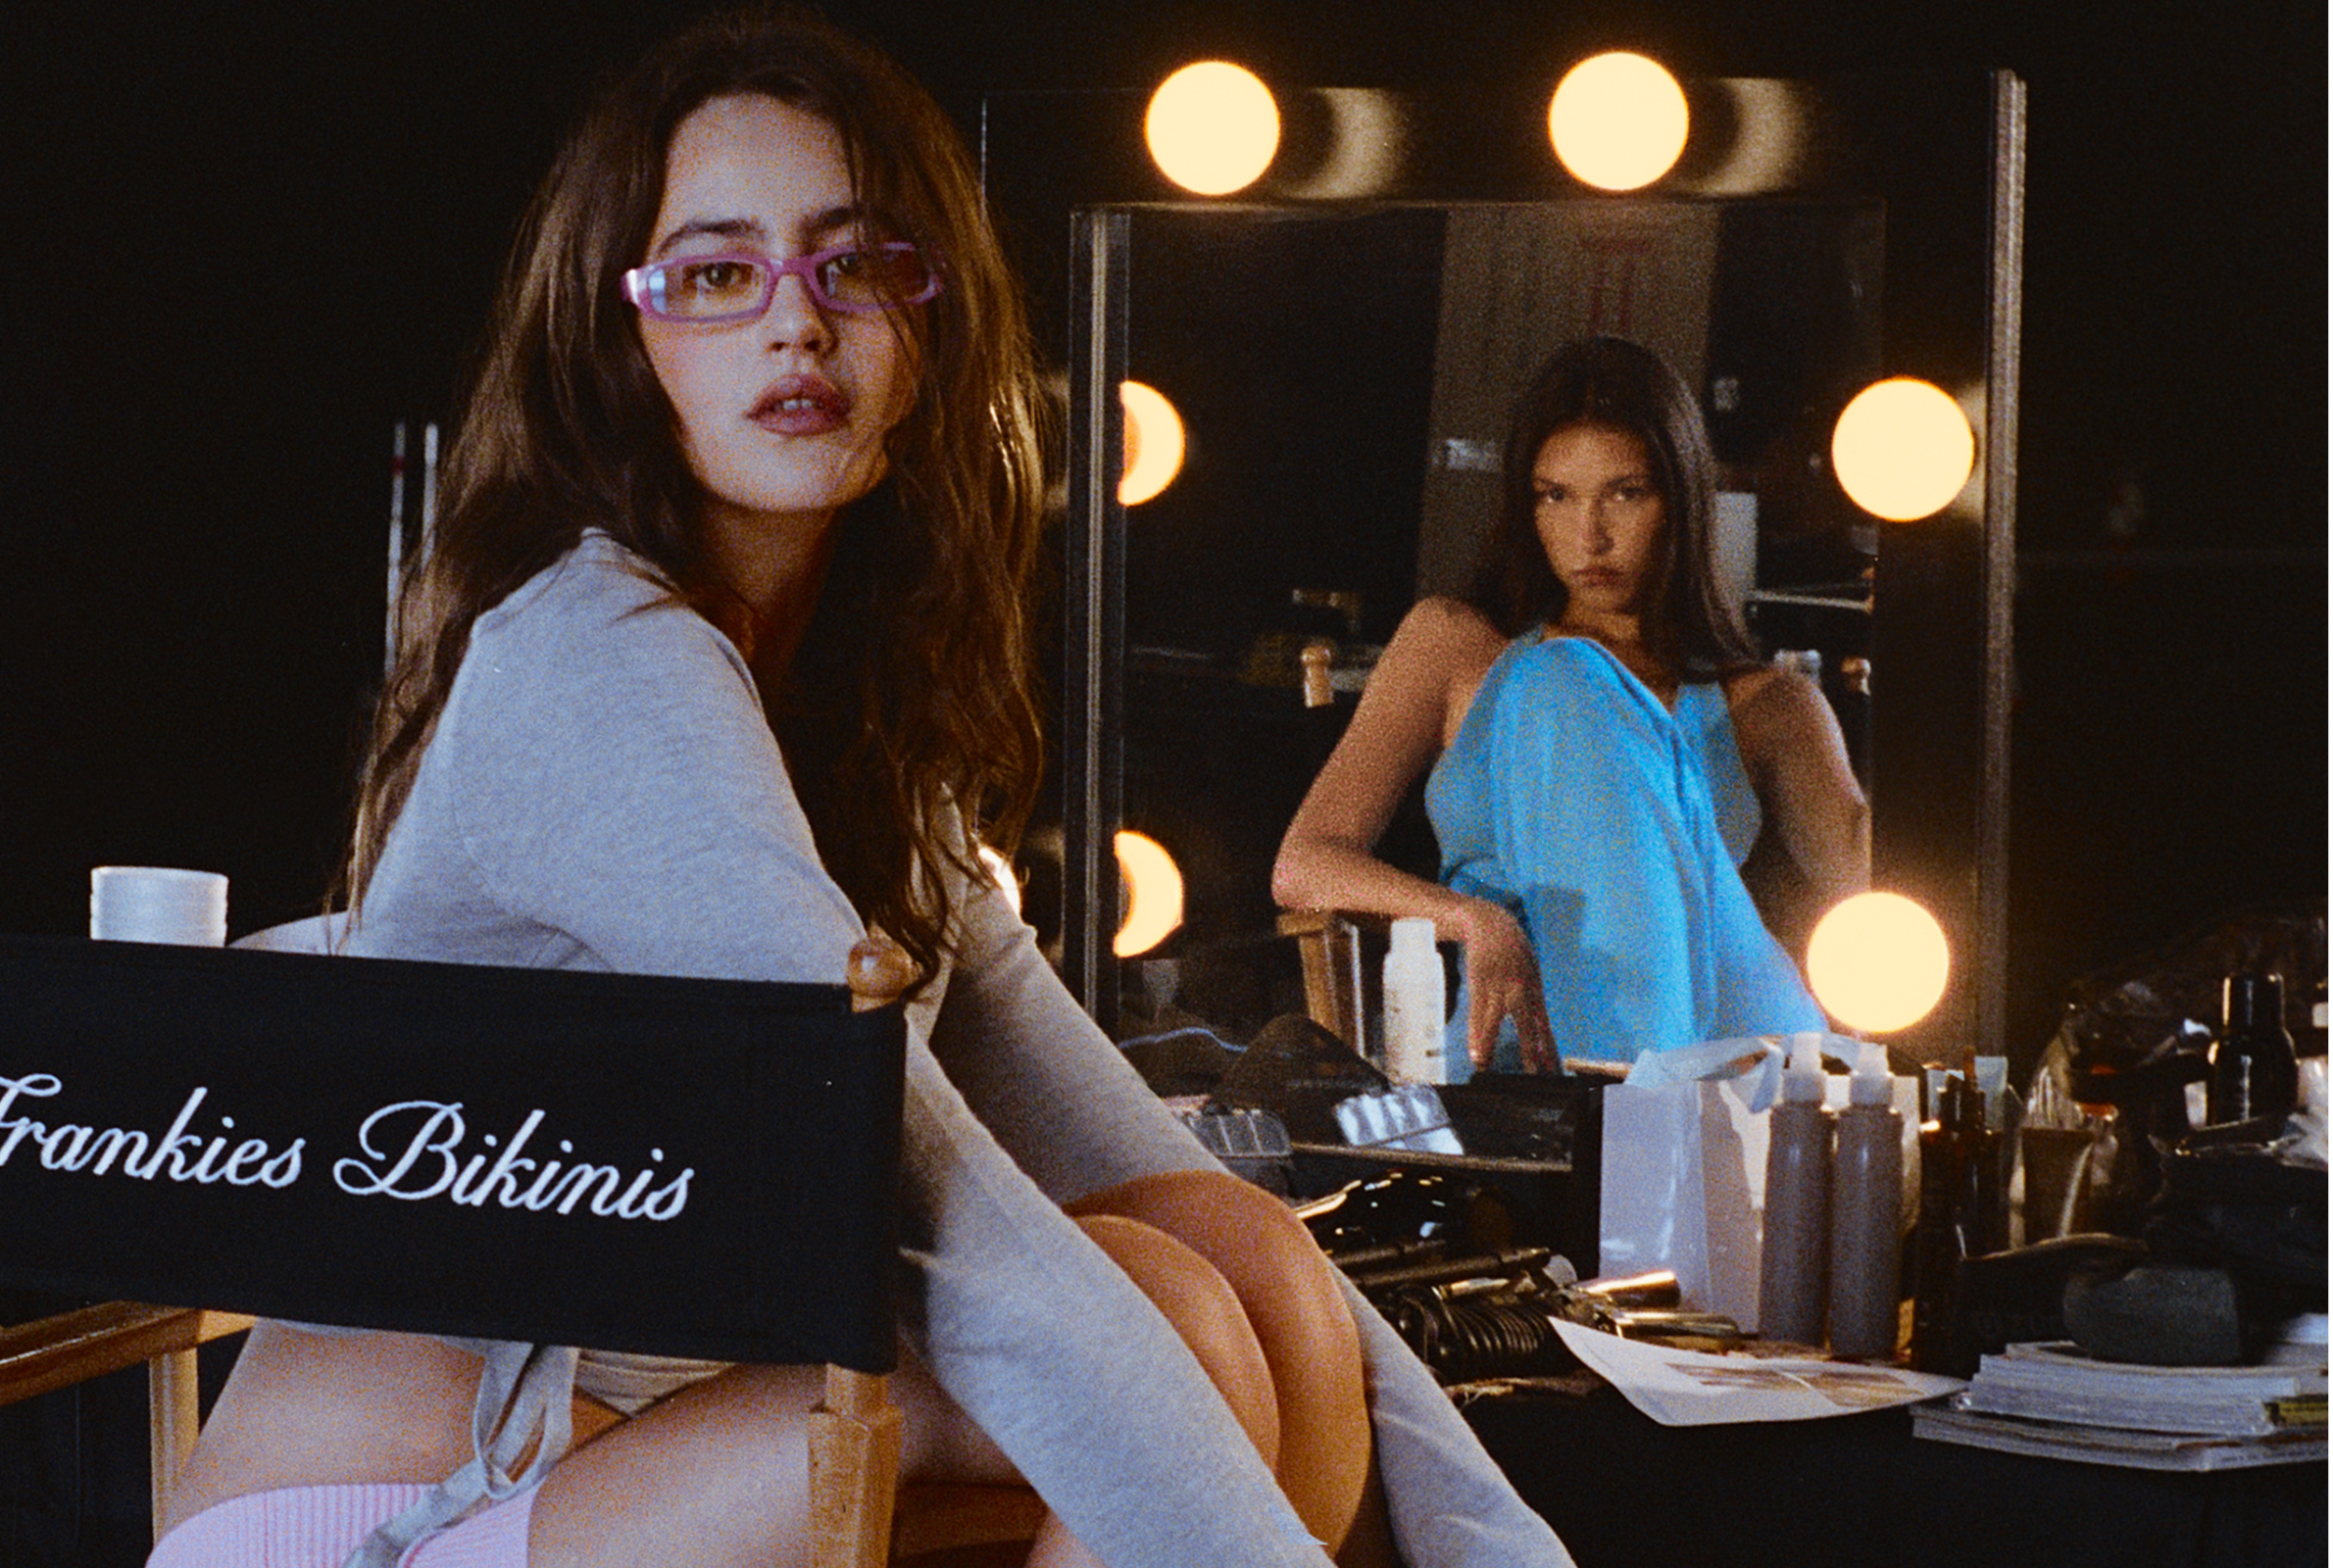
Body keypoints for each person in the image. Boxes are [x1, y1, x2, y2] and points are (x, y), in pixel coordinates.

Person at [158, 11, 1570, 1568]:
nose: (797, 326)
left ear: (932, 326)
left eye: (857, 264)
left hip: (645, 1481)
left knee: (1230, 1246)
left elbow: (1146, 1177)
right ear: (620, 341)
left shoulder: (850, 725)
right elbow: (970, 1249)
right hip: (381, 1522)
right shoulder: (592, 656)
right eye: (715, 273)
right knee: (1154, 1304)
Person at [1273, 336, 1868, 1076]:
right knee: (1560, 679)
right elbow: (1303, 865)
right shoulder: (1460, 647)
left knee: (1566, 681)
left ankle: (1654, 1106)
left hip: (1733, 1054)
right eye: (1555, 495)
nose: (1589, 535)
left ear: (1679, 499)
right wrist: (1469, 919)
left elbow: (1884, 908)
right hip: (1517, 1054)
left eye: (1626, 492)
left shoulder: (1769, 705)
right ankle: (1640, 1109)